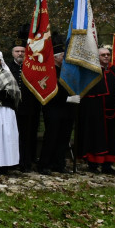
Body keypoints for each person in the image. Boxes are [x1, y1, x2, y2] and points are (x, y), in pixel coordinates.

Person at [74, 46, 115, 174]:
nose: (106, 56)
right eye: (103, 55)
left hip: (114, 114)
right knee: (95, 137)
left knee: (112, 139)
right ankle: (93, 164)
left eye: (108, 54)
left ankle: (107, 166)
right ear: (97, 57)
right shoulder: (91, 72)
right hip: (96, 113)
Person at [36, 36, 75, 174]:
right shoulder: (49, 71)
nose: (65, 58)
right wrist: (68, 98)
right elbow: (49, 90)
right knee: (51, 137)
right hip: (53, 109)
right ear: (56, 57)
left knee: (64, 138)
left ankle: (59, 164)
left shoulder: (66, 71)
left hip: (67, 109)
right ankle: (44, 164)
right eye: (63, 56)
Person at [8, 43, 40, 171]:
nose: (20, 53)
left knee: (27, 136)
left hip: (29, 107)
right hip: (12, 108)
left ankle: (26, 162)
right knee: (12, 135)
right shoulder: (8, 68)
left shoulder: (32, 67)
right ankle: (12, 161)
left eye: (22, 51)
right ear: (12, 53)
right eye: (17, 51)